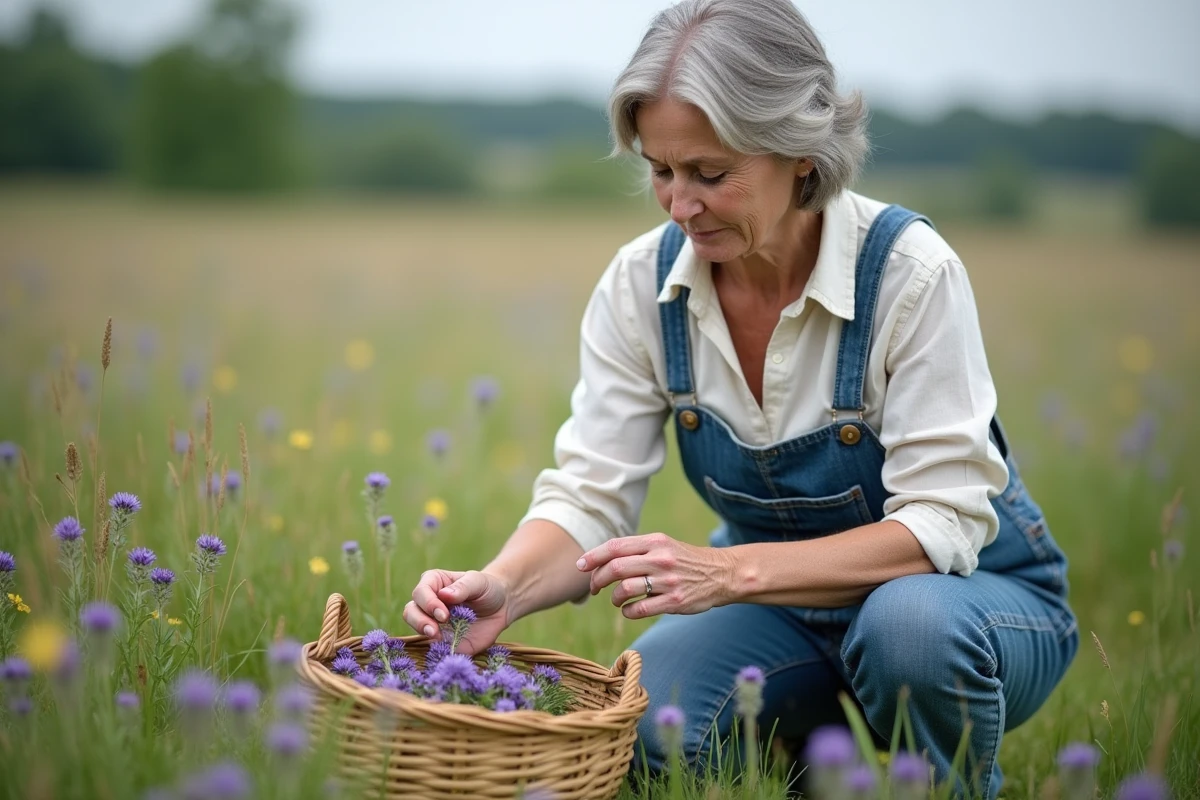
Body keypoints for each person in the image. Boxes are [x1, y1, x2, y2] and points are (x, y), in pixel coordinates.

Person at [404, 0, 1078, 796]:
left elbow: (942, 522)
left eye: (710, 174)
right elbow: (590, 492)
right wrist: (504, 587)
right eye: (660, 169)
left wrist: (731, 573)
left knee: (907, 629)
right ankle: (800, 769)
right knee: (650, 715)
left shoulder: (910, 273)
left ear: (799, 151)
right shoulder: (641, 284)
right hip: (788, 617)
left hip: (970, 611)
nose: (678, 204)